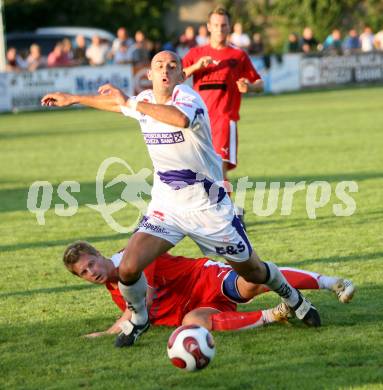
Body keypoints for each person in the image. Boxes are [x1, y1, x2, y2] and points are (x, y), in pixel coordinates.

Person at [41, 49, 320, 349]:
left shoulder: (187, 99)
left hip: (208, 208)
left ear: (181, 75)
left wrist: (132, 102)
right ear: (148, 75)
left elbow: (179, 119)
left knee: (252, 272)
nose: (165, 69)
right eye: (159, 65)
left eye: (172, 66)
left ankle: (293, 298)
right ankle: (139, 319)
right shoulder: (144, 101)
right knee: (129, 267)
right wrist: (74, 98)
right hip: (168, 206)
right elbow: (118, 104)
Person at [63, 241, 355, 336]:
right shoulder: (113, 287)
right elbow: (136, 312)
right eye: (84, 273)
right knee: (193, 323)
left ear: (100, 255)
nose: (92, 273)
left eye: (92, 264)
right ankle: (275, 314)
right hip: (195, 308)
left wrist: (112, 331)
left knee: (252, 282)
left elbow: (143, 300)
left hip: (205, 280)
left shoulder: (133, 258)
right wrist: (111, 330)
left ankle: (331, 283)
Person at [182, 7, 263, 191]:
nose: (220, 29)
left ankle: (227, 217)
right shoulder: (196, 53)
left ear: (229, 27)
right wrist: (196, 66)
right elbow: (178, 76)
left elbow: (260, 83)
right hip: (198, 122)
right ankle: (206, 217)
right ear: (209, 27)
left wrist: (249, 87)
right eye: (216, 25)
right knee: (196, 175)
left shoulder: (238, 55)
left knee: (219, 174)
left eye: (224, 25)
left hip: (224, 121)